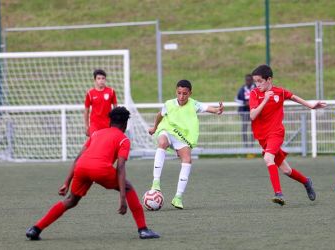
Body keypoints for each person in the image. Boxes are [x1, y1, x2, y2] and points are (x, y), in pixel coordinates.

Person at [26, 107, 160, 240]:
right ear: (125, 124)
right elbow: (120, 167)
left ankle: (36, 229)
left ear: (110, 121)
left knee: (71, 200)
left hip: (82, 167)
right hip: (100, 169)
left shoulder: (96, 134)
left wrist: (66, 182)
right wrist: (123, 198)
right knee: (128, 186)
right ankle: (143, 229)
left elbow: (78, 158)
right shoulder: (123, 140)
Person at [249, 64, 326, 206]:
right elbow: (253, 116)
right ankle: (306, 182)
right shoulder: (254, 94)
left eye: (260, 81)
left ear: (269, 79)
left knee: (268, 158)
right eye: (255, 81)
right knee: (286, 170)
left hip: (276, 133)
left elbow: (293, 97)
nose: (257, 84)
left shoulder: (280, 92)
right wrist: (265, 99)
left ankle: (279, 194)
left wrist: (310, 105)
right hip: (263, 138)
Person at [148, 79, 223, 209]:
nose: (181, 97)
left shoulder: (194, 104)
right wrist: (155, 128)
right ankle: (156, 182)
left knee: (187, 159)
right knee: (162, 142)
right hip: (167, 130)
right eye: (179, 93)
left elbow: (208, 108)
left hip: (182, 137)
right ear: (176, 92)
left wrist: (217, 110)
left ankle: (178, 197)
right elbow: (160, 115)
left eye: (185, 94)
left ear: (190, 93)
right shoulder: (169, 104)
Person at [84, 69, 118, 137]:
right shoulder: (90, 93)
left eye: (103, 78)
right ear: (95, 80)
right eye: (98, 78)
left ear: (105, 80)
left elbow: (116, 110)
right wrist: (87, 126)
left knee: (107, 145)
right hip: (95, 125)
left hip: (108, 124)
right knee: (94, 144)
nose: (101, 80)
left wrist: (116, 124)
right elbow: (86, 112)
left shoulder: (111, 91)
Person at [235, 74, 256, 148]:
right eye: (247, 80)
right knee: (244, 129)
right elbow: (236, 99)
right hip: (244, 112)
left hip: (253, 112)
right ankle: (245, 147)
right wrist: (244, 103)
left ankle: (252, 147)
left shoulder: (256, 88)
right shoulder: (242, 89)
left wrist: (252, 103)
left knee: (253, 130)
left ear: (252, 80)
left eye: (250, 80)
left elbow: (260, 98)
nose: (248, 82)